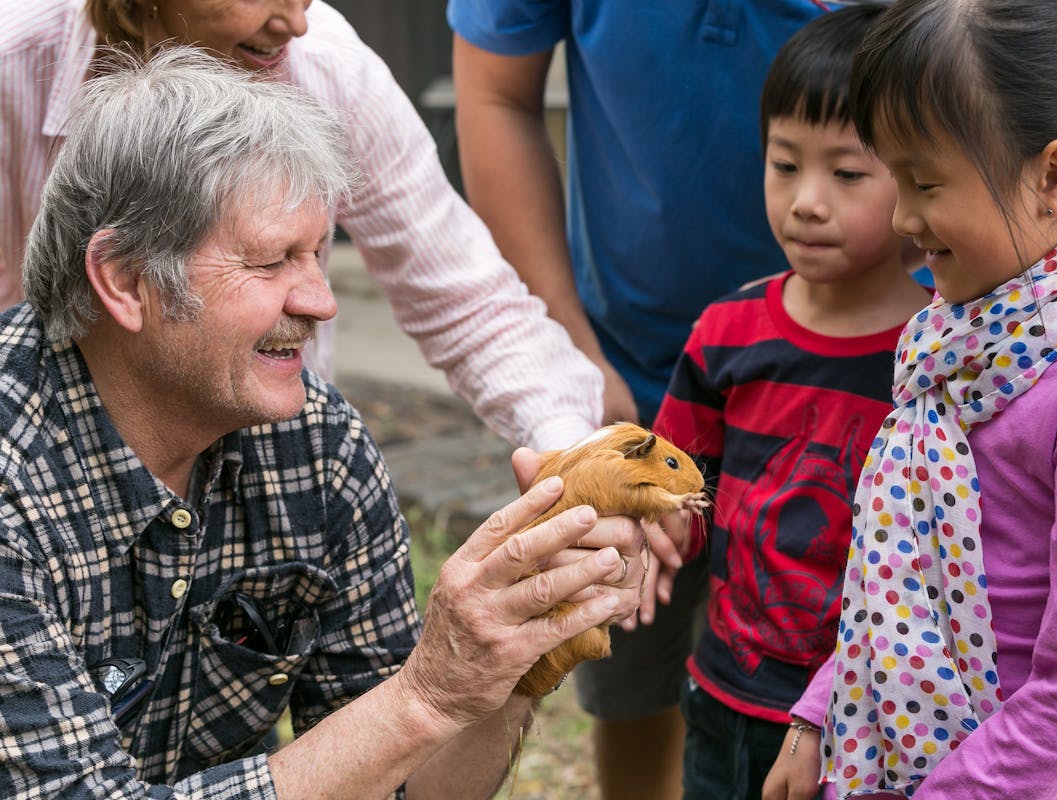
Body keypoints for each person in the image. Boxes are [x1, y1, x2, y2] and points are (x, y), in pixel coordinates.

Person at [0, 46, 649, 798]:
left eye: (319, 254)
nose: (320, 301)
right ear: (125, 279)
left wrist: (509, 666)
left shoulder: (315, 443)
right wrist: (421, 698)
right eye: (271, 261)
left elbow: (399, 786)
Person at [762, 1, 1057, 798]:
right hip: (882, 758)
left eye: (924, 183)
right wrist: (819, 714)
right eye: (894, 178)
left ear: (1056, 179)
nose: (901, 218)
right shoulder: (966, 328)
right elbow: (900, 571)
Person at [447, 3, 849, 795]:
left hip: (855, 392)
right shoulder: (699, 350)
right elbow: (495, 92)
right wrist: (575, 361)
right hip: (633, 375)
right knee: (629, 669)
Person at [0, 0, 603, 454]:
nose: (296, 21)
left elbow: (464, 296)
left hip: (268, 465)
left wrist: (570, 449)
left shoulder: (328, 69)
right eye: (267, 259)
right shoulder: (12, 65)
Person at [647, 7, 929, 799]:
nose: (807, 201)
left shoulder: (935, 356)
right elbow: (676, 487)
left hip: (863, 723)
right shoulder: (725, 333)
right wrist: (658, 526)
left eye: (846, 173)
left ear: (917, 178)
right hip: (723, 690)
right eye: (784, 164)